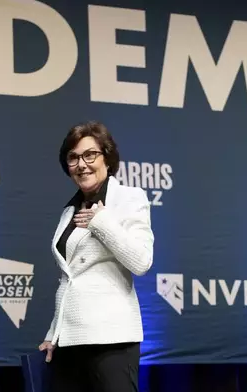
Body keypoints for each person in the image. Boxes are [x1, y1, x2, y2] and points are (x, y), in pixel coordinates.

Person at [38, 121, 155, 392]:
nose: (82, 164)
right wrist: (54, 333)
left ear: (107, 157)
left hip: (111, 340)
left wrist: (101, 221)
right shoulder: (69, 211)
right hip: (70, 342)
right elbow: (70, 280)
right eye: (73, 158)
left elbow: (141, 261)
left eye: (90, 155)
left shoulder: (129, 198)